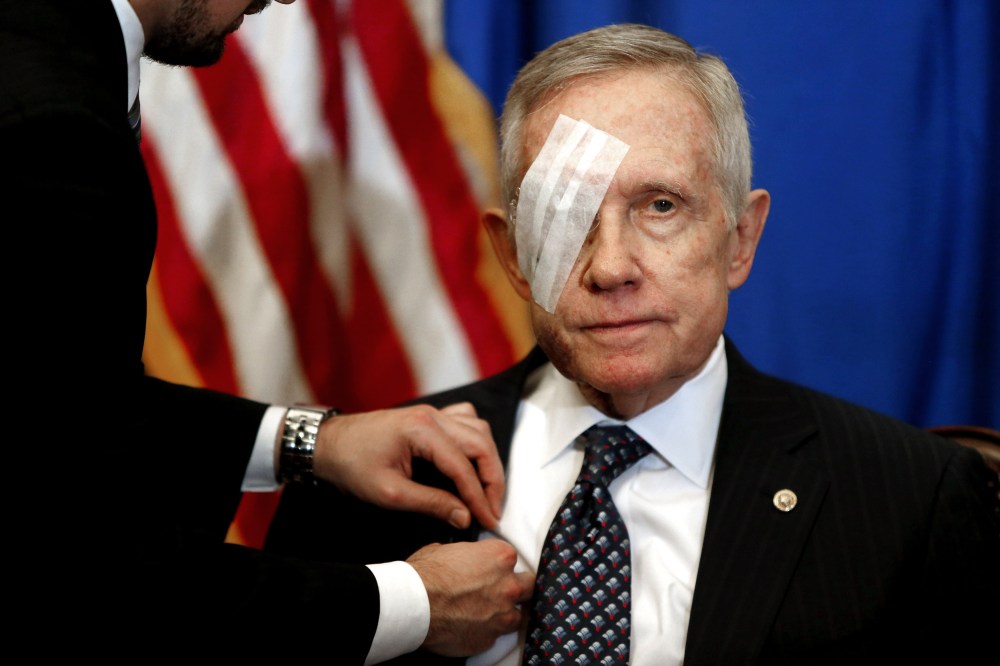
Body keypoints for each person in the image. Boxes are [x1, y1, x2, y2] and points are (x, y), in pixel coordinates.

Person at [265, 23, 1000, 664]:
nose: (611, 267)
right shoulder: (365, 487)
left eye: (659, 206)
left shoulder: (910, 500)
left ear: (740, 239)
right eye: (566, 214)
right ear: (514, 256)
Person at [0, 0, 533, 659]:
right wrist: (415, 603)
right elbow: (96, 567)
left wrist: (308, 441)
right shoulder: (48, 125)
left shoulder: (45, 50)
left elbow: (52, 407)